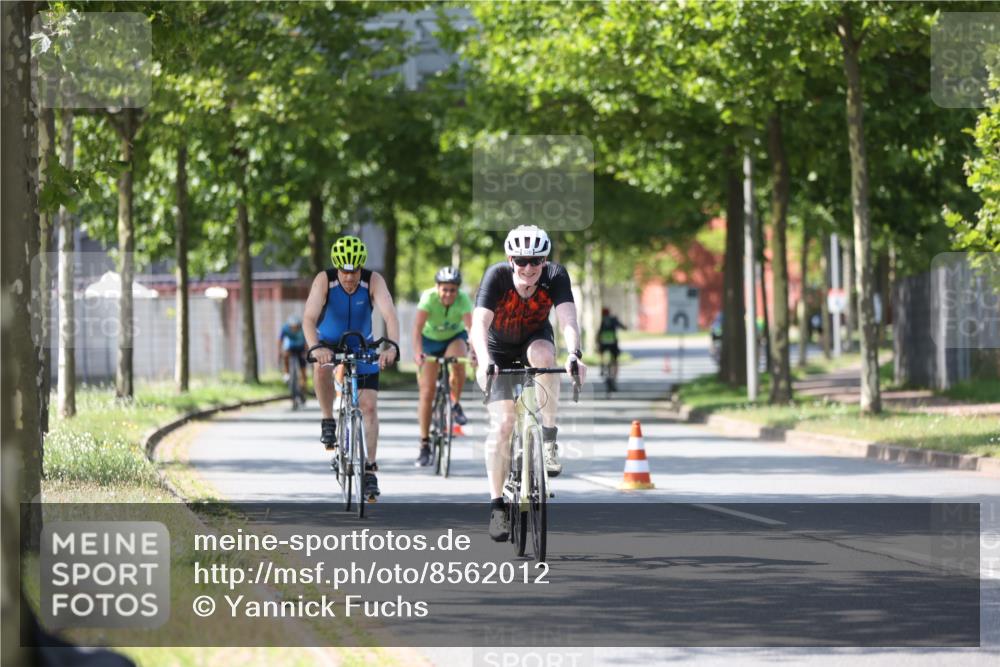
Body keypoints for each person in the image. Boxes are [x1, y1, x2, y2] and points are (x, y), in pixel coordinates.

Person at [469, 225, 587, 541]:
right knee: (503, 424)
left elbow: (567, 320)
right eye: (521, 260)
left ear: (545, 261)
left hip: (535, 339)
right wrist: (483, 361)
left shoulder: (555, 277)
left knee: (545, 357)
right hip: (498, 349)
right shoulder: (496, 277)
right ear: (511, 259)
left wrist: (575, 354)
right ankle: (497, 506)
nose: (529, 268)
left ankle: (547, 440)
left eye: (536, 261)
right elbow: (479, 324)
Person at [303, 235, 399, 500]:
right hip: (329, 344)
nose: (349, 278)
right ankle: (327, 419)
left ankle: (369, 470)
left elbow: (389, 314)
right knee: (321, 367)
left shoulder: (372, 280)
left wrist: (391, 347)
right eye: (345, 271)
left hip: (362, 346)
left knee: (368, 406)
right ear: (337, 268)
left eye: (354, 271)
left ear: (361, 268)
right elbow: (309, 318)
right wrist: (316, 347)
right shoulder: (325, 280)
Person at [413, 266, 474, 467]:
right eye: (444, 289)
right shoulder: (428, 299)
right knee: (427, 392)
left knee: (456, 363)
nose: (448, 294)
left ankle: (454, 403)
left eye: (452, 290)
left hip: (454, 339)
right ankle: (424, 444)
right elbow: (417, 329)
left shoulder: (463, 300)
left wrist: (474, 353)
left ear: (458, 290)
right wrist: (418, 353)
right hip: (429, 341)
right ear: (437, 287)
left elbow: (471, 329)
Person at [597, 307, 626, 390]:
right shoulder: (613, 319)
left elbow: (599, 332)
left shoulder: (602, 321)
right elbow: (623, 327)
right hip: (613, 343)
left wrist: (597, 342)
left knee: (601, 354)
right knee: (615, 361)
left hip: (603, 344)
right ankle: (614, 375)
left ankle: (602, 367)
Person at [279, 315, 308, 393]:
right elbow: (280, 340)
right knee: (285, 356)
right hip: (291, 347)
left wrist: (306, 352)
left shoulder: (303, 329)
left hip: (301, 348)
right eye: (292, 327)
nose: (294, 329)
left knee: (303, 366)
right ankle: (287, 373)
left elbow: (307, 341)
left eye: (296, 327)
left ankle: (303, 384)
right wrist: (279, 351)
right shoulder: (285, 328)